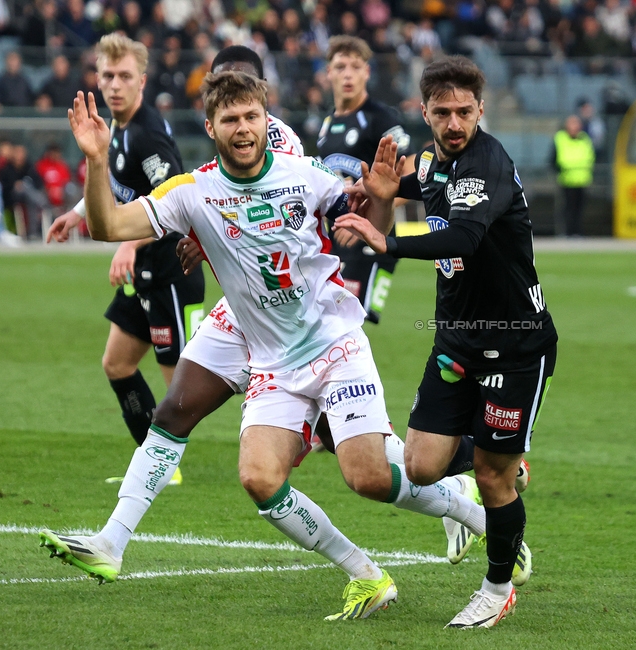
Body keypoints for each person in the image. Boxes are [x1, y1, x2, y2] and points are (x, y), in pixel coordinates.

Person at [40, 73, 490, 621]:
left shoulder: (306, 176)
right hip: (269, 354)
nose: (243, 128)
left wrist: (381, 200)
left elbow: (363, 227)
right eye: (230, 120)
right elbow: (109, 224)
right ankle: (366, 574)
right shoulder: (192, 191)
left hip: (332, 342)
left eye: (252, 117)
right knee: (257, 477)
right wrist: (94, 161)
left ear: (266, 119)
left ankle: (473, 512)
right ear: (211, 127)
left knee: (369, 477)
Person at [335, 55, 557, 629]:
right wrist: (386, 187)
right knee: (421, 464)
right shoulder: (436, 161)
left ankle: (497, 587)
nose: (454, 122)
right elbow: (414, 182)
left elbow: (462, 233)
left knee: (493, 479)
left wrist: (387, 243)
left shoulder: (488, 164)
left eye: (464, 111)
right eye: (442, 112)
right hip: (456, 339)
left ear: (481, 111)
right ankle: (492, 462)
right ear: (426, 113)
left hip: (516, 345)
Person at [46, 35, 205, 482]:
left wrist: (128, 243)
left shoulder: (148, 134)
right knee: (117, 363)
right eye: (108, 75)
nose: (115, 85)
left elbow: (171, 197)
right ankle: (159, 464)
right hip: (145, 270)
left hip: (171, 268)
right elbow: (118, 186)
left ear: (142, 80)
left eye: (125, 76)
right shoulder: (114, 124)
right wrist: (78, 214)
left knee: (186, 383)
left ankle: (281, 406)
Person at [318, 35, 415, 324]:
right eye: (340, 66)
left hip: (371, 239)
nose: (348, 74)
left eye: (356, 66)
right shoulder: (327, 123)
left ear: (367, 72)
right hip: (337, 239)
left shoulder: (379, 118)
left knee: (348, 325)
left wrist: (369, 222)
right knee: (329, 326)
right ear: (329, 73)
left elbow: (411, 170)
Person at [550, 114, 595, 238]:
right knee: (567, 208)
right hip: (566, 179)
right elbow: (553, 159)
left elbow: (590, 156)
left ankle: (577, 232)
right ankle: (567, 232)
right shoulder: (560, 138)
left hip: (582, 179)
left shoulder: (585, 138)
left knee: (579, 209)